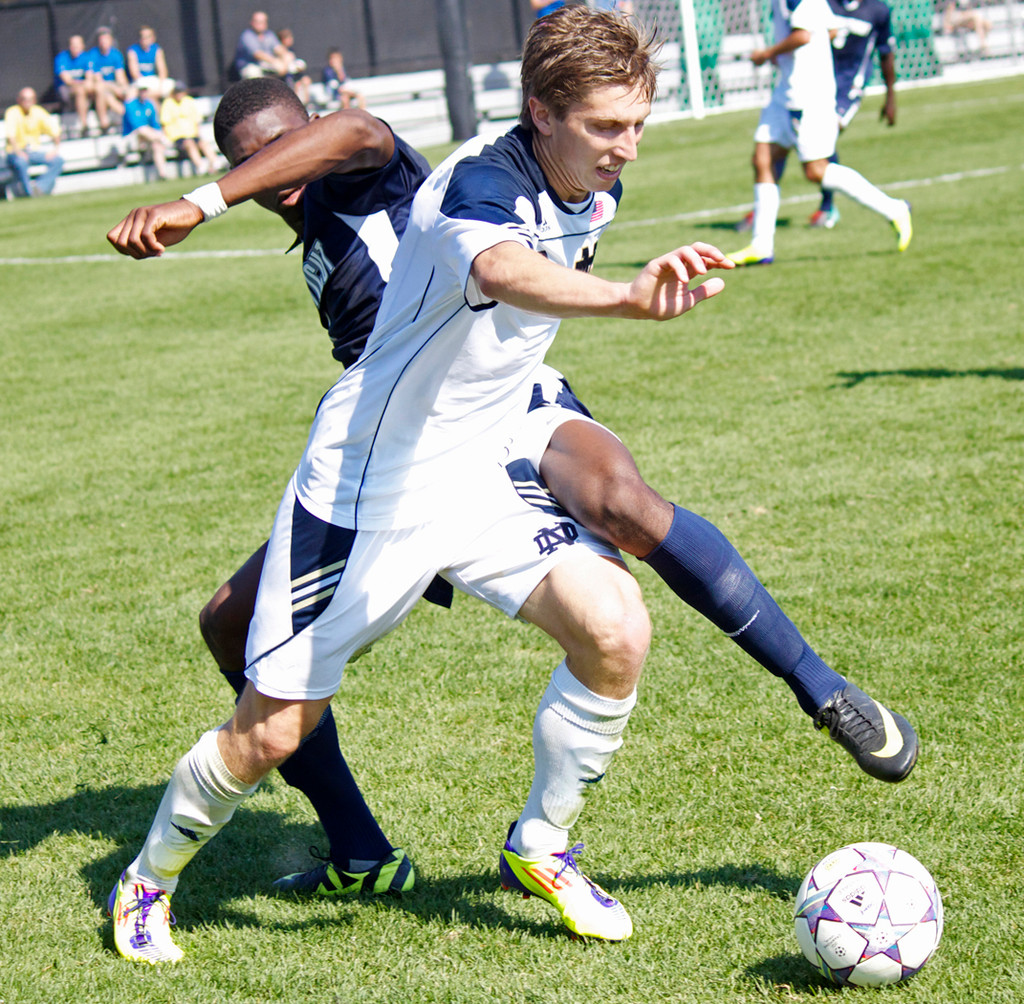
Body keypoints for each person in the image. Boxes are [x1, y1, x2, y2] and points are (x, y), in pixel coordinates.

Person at [108, 6, 919, 958]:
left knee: (614, 628)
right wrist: (625, 298)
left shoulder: (578, 183)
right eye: (607, 126)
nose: (627, 147)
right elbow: (499, 266)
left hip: (485, 453)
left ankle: (541, 846)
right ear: (541, 112)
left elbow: (373, 146)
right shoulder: (477, 184)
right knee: (270, 733)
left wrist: (201, 202)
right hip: (372, 484)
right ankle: (147, 881)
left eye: (636, 125)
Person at [727, 0, 912, 265]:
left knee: (815, 170)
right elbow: (830, 29)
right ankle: (761, 246)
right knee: (763, 159)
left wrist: (768, 54)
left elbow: (803, 35)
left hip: (810, 96)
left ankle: (895, 209)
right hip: (786, 92)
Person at [4, 87, 64, 197]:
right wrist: (19, 152)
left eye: (30, 99)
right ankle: (29, 193)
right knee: (21, 162)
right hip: (15, 152)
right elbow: (11, 136)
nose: (27, 102)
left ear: (34, 100)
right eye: (24, 99)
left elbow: (54, 130)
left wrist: (55, 149)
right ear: (19, 100)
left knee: (58, 160)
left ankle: (40, 187)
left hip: (33, 152)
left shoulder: (38, 112)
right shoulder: (12, 112)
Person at [160, 82, 218, 176]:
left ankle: (214, 163)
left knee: (203, 143)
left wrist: (198, 133)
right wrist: (167, 138)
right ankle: (201, 166)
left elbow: (196, 120)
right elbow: (165, 123)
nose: (179, 94)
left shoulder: (189, 101)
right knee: (189, 144)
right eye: (177, 92)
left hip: (192, 133)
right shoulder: (168, 103)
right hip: (177, 136)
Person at [122, 84, 171, 180]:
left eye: (145, 91)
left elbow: (154, 124)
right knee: (142, 129)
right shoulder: (130, 105)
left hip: (148, 136)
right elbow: (135, 125)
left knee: (157, 145)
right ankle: (164, 139)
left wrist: (156, 133)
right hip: (132, 135)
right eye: (141, 91)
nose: (143, 93)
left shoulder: (149, 105)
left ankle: (162, 173)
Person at [86, 26, 129, 133]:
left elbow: (120, 76)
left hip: (112, 87)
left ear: (111, 40)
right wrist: (114, 88)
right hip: (100, 88)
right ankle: (108, 120)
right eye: (101, 40)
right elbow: (98, 79)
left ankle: (132, 114)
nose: (104, 42)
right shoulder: (93, 55)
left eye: (106, 39)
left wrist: (124, 88)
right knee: (102, 91)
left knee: (129, 92)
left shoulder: (116, 54)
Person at [53, 34, 96, 137]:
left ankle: (105, 122)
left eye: (77, 45)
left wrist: (86, 84)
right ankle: (84, 125)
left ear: (82, 46)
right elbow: (68, 81)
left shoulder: (86, 57)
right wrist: (82, 84)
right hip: (66, 89)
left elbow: (89, 78)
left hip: (84, 89)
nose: (75, 48)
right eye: (73, 45)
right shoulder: (61, 58)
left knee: (99, 89)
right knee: (80, 91)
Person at [233, 11, 282, 80]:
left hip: (266, 64)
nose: (259, 24)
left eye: (261, 22)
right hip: (250, 66)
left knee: (293, 66)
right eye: (256, 21)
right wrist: (275, 62)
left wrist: (285, 58)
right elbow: (258, 54)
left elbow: (279, 49)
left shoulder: (269, 35)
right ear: (251, 22)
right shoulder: (247, 35)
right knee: (253, 73)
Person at [127, 25, 173, 98]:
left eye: (148, 37)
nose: (145, 39)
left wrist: (160, 86)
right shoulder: (133, 51)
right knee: (137, 89)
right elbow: (135, 74)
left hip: (153, 80)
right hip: (141, 81)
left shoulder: (157, 49)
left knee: (170, 85)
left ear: (153, 38)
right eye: (143, 37)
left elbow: (162, 71)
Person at [275, 28, 312, 106]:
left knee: (305, 80)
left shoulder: (291, 50)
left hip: (294, 77)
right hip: (285, 79)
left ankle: (306, 105)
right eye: (288, 38)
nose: (291, 39)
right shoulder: (278, 51)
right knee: (296, 86)